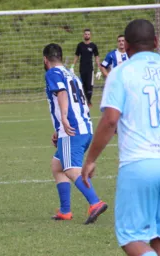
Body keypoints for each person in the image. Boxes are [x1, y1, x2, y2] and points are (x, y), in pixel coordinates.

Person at [82, 19, 160, 256]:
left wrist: (91, 159)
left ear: (125, 46)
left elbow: (109, 121)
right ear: (156, 43)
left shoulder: (120, 74)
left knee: (131, 237)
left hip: (141, 162)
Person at [43, 43, 108, 224]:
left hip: (71, 129)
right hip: (84, 128)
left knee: (70, 169)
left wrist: (63, 120)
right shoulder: (72, 75)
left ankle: (95, 202)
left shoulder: (52, 73)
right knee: (57, 166)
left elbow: (62, 94)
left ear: (45, 60)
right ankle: (65, 211)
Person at [70, 29, 102, 106]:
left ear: (90, 35)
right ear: (83, 35)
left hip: (90, 69)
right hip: (82, 68)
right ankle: (84, 101)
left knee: (89, 85)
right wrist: (72, 67)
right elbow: (76, 56)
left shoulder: (93, 46)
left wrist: (99, 69)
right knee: (83, 85)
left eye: (88, 34)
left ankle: (89, 101)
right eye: (85, 34)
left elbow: (97, 57)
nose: (87, 35)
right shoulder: (80, 45)